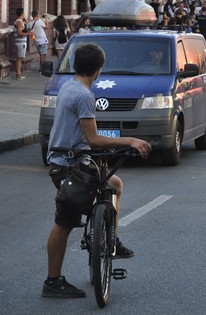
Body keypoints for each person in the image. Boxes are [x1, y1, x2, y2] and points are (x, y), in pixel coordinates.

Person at [43, 43, 151, 298]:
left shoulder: (70, 86)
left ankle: (111, 239)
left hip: (73, 160)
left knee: (114, 185)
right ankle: (52, 281)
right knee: (64, 224)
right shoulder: (83, 96)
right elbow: (93, 139)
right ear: (99, 69)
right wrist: (130, 141)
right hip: (69, 167)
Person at [13, 8, 32, 80]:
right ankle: (18, 73)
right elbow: (20, 33)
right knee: (19, 58)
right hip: (20, 42)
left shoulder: (21, 21)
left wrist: (26, 22)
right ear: (22, 13)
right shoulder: (19, 22)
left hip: (22, 42)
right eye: (24, 13)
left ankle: (19, 73)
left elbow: (27, 29)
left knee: (20, 58)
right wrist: (30, 34)